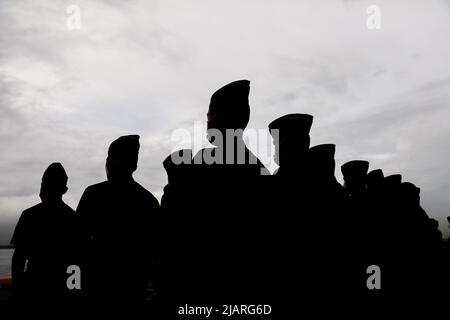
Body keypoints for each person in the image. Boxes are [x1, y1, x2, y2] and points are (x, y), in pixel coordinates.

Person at [160, 80, 269, 302]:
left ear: (220, 117)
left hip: (202, 284)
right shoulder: (259, 170)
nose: (207, 119)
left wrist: (173, 185)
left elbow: (174, 224)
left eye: (210, 113)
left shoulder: (202, 162)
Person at [76, 135, 159, 301]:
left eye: (109, 159)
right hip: (134, 288)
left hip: (98, 288)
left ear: (113, 162)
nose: (107, 164)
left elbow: (75, 242)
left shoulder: (93, 194)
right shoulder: (149, 201)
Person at [11, 163, 77, 300]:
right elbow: (77, 261)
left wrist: (17, 289)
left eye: (45, 184)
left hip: (33, 289)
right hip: (62, 288)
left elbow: (19, 258)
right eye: (43, 183)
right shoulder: (73, 218)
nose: (42, 189)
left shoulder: (28, 215)